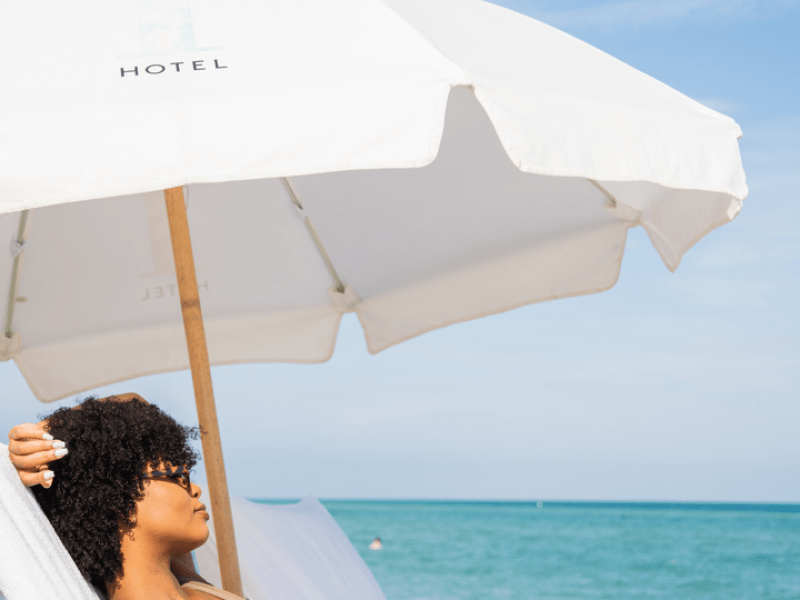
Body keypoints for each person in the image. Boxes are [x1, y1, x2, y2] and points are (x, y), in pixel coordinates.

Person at [6, 394, 244, 600]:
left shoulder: (185, 581)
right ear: (116, 497)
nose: (194, 489)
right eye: (177, 475)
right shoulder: (187, 580)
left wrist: (45, 436)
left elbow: (137, 402)